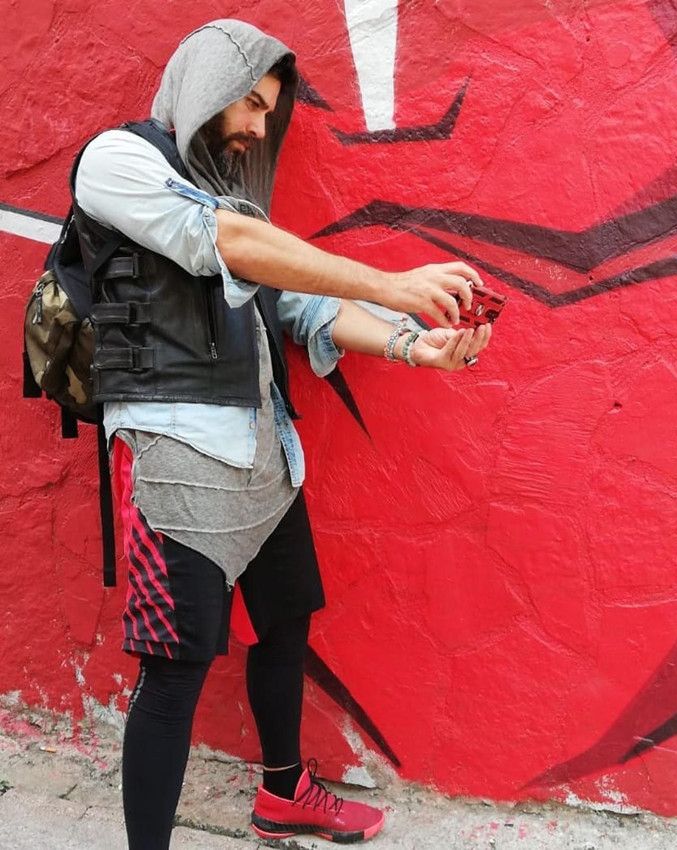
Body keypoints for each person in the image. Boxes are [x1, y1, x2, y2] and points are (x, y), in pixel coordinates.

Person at [73, 19, 492, 849]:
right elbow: (221, 243)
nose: (262, 129)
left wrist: (417, 346)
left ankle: (284, 793)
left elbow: (299, 306)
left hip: (266, 456)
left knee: (287, 621)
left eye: (272, 111)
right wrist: (394, 285)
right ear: (206, 87)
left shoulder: (244, 210)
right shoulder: (117, 162)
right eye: (252, 105)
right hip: (172, 460)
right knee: (174, 672)